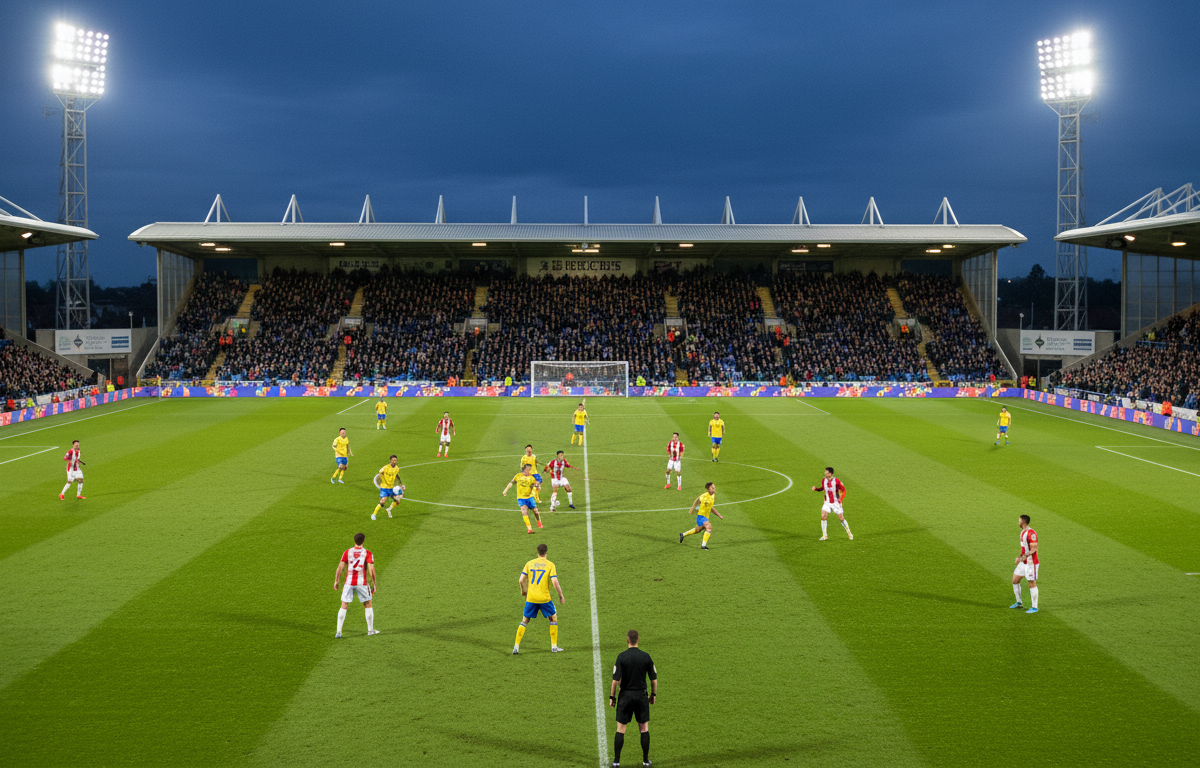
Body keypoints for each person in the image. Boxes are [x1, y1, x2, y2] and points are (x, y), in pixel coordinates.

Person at [609, 629, 658, 768]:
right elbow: (654, 680)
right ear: (638, 640)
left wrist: (612, 697)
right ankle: (645, 760)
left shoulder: (621, 657)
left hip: (625, 696)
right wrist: (653, 695)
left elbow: (615, 681)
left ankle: (616, 761)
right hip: (641, 696)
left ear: (627, 640)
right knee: (644, 729)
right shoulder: (646, 656)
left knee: (620, 729)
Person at [513, 543, 564, 654]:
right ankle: (554, 647)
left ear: (538, 552)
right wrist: (561, 596)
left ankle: (516, 646)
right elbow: (555, 582)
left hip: (531, 598)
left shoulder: (529, 563)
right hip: (544, 599)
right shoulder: (550, 565)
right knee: (553, 618)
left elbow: (521, 580)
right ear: (546, 552)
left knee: (525, 621)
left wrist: (523, 591)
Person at [334, 532, 378, 638]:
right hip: (361, 583)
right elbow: (372, 570)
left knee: (344, 605)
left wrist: (336, 581)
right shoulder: (367, 553)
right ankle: (370, 630)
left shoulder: (347, 552)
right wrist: (374, 584)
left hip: (348, 582)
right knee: (367, 604)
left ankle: (339, 631)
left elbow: (340, 568)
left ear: (354, 540)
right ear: (363, 541)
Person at [812, 467, 852, 541]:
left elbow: (844, 491)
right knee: (823, 516)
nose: (825, 473)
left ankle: (849, 532)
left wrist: (840, 499)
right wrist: (816, 489)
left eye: (826, 472)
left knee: (841, 518)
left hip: (836, 503)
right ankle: (824, 536)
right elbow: (822, 488)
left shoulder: (836, 481)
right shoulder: (824, 480)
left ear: (830, 473)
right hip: (827, 502)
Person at [1011, 514, 1040, 614]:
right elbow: (1024, 549)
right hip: (1023, 562)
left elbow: (1034, 549)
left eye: (1019, 520)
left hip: (1031, 563)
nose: (1018, 522)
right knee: (1015, 580)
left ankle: (1035, 607)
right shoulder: (1023, 532)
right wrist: (1019, 558)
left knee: (1031, 583)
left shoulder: (1031, 533)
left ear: (1022, 521)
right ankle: (1019, 602)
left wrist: (1022, 558)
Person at [680, 482, 722, 550]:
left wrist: (718, 515)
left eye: (714, 488)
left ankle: (683, 534)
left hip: (705, 517)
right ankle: (703, 546)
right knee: (709, 527)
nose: (714, 489)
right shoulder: (704, 497)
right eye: (712, 488)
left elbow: (711, 507)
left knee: (697, 530)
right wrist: (692, 508)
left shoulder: (713, 496)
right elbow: (697, 500)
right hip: (701, 517)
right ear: (708, 489)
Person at [503, 464, 543, 533]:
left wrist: (538, 487)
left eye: (529, 469)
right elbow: (511, 482)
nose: (529, 470)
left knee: (536, 512)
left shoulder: (531, 478)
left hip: (529, 497)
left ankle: (538, 521)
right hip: (521, 498)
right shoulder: (518, 476)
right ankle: (529, 529)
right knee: (524, 512)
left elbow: (538, 488)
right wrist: (505, 490)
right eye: (528, 468)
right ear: (524, 469)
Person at [371, 454, 404, 520]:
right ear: (390, 461)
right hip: (384, 487)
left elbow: (396, 475)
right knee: (383, 501)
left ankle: (389, 509)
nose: (394, 461)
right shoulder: (386, 467)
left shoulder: (397, 468)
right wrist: (384, 480)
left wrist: (400, 483)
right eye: (392, 460)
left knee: (398, 501)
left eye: (395, 460)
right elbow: (380, 472)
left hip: (391, 488)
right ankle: (374, 514)